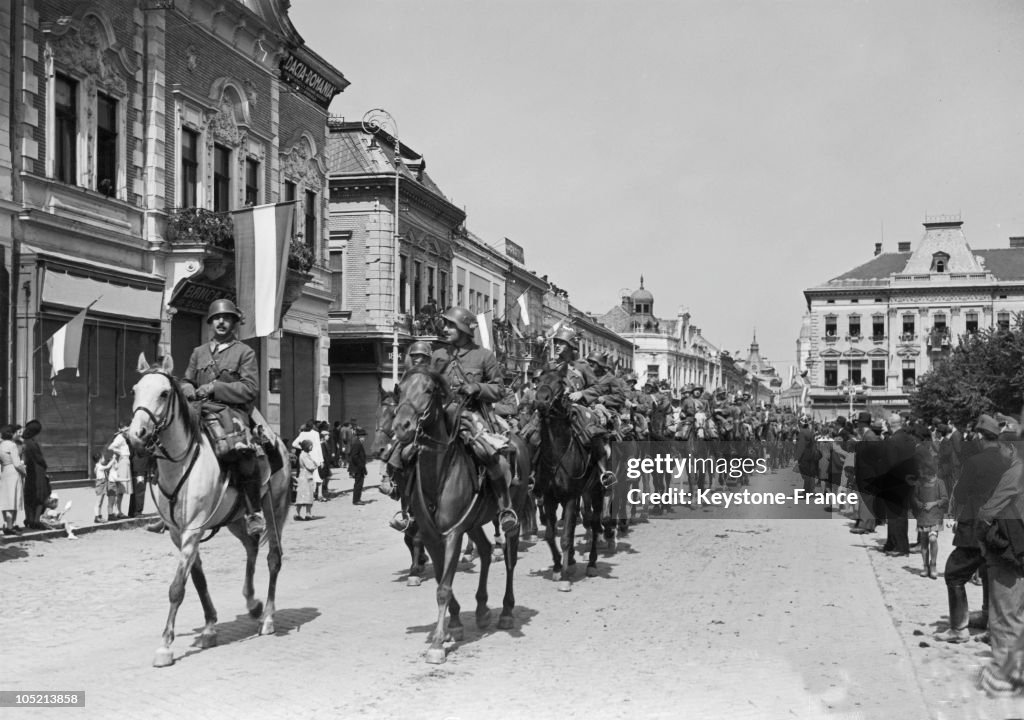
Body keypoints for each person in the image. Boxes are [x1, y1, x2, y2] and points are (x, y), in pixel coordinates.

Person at [428, 307, 518, 533]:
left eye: (450, 325)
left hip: (472, 415)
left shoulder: (484, 356)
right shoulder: (438, 355)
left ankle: (504, 505)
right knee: (408, 447)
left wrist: (476, 387)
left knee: (487, 453)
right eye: (445, 325)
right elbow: (427, 385)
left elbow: (499, 389)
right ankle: (409, 506)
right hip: (442, 416)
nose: (445, 329)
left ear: (463, 329)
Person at [181, 298, 264, 536]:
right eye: (217, 318)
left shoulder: (245, 352)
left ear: (234, 323)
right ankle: (171, 508)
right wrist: (187, 388)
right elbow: (187, 379)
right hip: (200, 409)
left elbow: (250, 389)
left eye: (226, 318)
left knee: (242, 452)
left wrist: (215, 388)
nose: (221, 322)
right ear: (210, 322)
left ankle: (253, 512)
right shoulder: (199, 353)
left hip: (232, 412)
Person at [935, 414, 1005, 643]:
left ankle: (958, 628)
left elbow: (961, 493)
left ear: (980, 437)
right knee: (988, 573)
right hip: (1002, 529)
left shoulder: (975, 462)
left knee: (954, 573)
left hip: (976, 528)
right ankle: (988, 619)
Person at [911, 458, 948, 579]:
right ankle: (925, 566)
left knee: (932, 539)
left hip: (935, 516)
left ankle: (933, 564)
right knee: (923, 542)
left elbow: (944, 498)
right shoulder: (919, 483)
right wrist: (919, 504)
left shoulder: (939, 483)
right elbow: (914, 497)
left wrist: (933, 503)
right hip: (922, 516)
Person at [20, 419, 49, 530]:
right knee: (40, 495)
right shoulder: (32, 444)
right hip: (38, 472)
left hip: (29, 473)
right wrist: (45, 466)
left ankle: (29, 519)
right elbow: (40, 459)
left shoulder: (23, 442)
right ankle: (36, 521)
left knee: (29, 495)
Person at [0, 424, 25, 535]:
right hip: (13, 472)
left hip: (4, 471)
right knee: (13, 499)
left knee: (6, 499)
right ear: (11, 434)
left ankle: (7, 524)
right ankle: (11, 525)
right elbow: (17, 463)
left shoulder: (1, 445)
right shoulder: (12, 445)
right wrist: (25, 472)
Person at [292, 421, 325, 501]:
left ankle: (310, 495)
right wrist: (321, 460)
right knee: (318, 477)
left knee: (308, 476)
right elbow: (318, 447)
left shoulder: (302, 434)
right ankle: (320, 494)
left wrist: (303, 448)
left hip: (306, 456)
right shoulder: (315, 434)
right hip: (315, 456)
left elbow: (294, 444)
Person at [107, 428, 131, 520]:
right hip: (123, 461)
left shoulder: (123, 438)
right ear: (123, 431)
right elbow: (111, 447)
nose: (129, 432)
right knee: (121, 488)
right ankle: (118, 511)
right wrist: (121, 452)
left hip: (125, 461)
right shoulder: (120, 437)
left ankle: (118, 511)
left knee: (122, 489)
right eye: (127, 430)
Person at [294, 439, 317, 521]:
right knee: (308, 495)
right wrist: (315, 465)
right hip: (306, 477)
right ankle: (307, 513)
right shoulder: (304, 456)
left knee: (301, 496)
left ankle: (298, 513)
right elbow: (310, 466)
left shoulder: (304, 454)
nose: (312, 447)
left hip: (304, 476)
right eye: (310, 445)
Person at [92, 452, 114, 523]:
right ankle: (96, 517)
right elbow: (107, 467)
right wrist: (113, 460)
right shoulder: (99, 466)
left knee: (100, 502)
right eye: (103, 457)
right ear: (99, 459)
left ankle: (99, 515)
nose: (104, 458)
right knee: (98, 502)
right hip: (101, 485)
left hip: (102, 484)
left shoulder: (97, 466)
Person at [349, 427, 368, 505]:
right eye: (363, 436)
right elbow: (354, 456)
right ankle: (356, 500)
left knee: (359, 484)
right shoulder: (357, 443)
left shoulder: (358, 443)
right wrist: (361, 465)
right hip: (357, 468)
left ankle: (357, 499)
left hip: (359, 467)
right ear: (360, 436)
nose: (364, 438)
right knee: (358, 484)